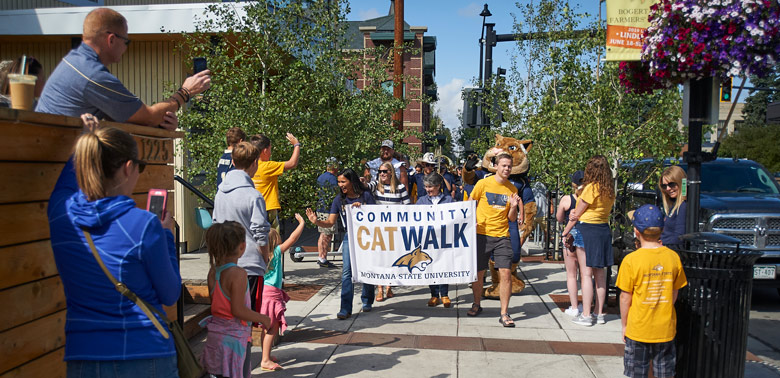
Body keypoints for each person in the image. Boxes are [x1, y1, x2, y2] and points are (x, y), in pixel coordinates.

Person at [48, 115, 181, 376]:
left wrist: (84, 142)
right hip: (146, 353)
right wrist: (166, 236)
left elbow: (63, 187)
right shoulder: (144, 225)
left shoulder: (60, 214)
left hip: (83, 356)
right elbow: (170, 294)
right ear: (128, 167)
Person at [35, 8, 210, 129]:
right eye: (126, 41)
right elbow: (147, 116)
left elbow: (130, 119)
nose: (126, 48)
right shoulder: (92, 75)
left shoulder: (75, 62)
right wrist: (185, 93)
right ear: (111, 40)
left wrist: (160, 123)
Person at [617, 204, 687, 378]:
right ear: (661, 230)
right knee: (665, 372)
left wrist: (625, 324)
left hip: (638, 327)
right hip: (665, 328)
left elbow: (626, 297)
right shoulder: (672, 257)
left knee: (636, 372)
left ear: (636, 231)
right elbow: (674, 292)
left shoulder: (631, 260)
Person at [201, 221, 271, 378]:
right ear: (242, 247)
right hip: (234, 340)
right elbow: (238, 310)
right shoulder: (238, 274)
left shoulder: (213, 272)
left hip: (215, 337)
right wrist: (263, 318)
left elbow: (218, 305)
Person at [306, 168, 376, 320]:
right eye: (339, 182)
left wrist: (362, 209)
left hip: (367, 237)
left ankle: (367, 299)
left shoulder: (366, 196)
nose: (340, 185)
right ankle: (345, 308)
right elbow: (330, 222)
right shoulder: (339, 200)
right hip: (349, 237)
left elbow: (376, 217)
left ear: (352, 182)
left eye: (343, 181)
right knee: (346, 272)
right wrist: (316, 221)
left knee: (367, 268)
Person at [213, 142, 271, 316]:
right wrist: (266, 257)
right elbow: (260, 233)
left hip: (225, 264)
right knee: (248, 319)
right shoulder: (254, 196)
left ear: (233, 160)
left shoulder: (220, 193)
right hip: (250, 264)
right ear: (254, 163)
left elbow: (216, 225)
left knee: (227, 317)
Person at [466, 153, 521, 327]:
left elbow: (511, 218)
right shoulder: (483, 184)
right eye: (503, 165)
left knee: (505, 273)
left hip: (502, 236)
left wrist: (513, 207)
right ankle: (477, 304)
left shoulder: (512, 189)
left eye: (509, 166)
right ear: (496, 166)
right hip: (482, 234)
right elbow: (470, 203)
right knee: (479, 272)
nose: (506, 169)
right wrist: (470, 221)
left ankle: (504, 313)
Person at [563, 155, 616, 327]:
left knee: (586, 274)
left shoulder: (590, 188)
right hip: (603, 230)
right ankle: (598, 313)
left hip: (587, 230)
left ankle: (586, 315)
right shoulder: (609, 189)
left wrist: (565, 231)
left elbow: (577, 214)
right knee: (600, 275)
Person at [259, 214, 305, 372]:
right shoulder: (277, 252)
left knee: (266, 326)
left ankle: (266, 355)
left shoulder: (261, 256)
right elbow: (293, 238)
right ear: (274, 241)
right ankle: (265, 360)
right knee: (272, 327)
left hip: (263, 294)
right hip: (272, 295)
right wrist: (302, 223)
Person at [367, 161, 411, 302]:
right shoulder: (375, 186)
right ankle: (379, 289)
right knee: (380, 259)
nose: (382, 174)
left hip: (395, 231)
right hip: (379, 231)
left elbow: (408, 208)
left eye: (385, 171)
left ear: (391, 172)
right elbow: (364, 188)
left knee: (391, 259)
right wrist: (361, 180)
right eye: (380, 172)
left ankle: (389, 286)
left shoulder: (400, 188)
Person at [416, 172, 454, 308]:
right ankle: (434, 294)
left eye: (430, 187)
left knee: (444, 265)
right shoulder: (421, 201)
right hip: (428, 239)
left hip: (444, 239)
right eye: (426, 187)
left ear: (438, 186)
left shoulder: (449, 200)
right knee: (430, 266)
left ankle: (444, 294)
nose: (428, 190)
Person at [250, 133, 301, 233]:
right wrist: (296, 145)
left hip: (252, 208)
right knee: (273, 240)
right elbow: (292, 163)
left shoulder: (249, 166)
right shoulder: (268, 166)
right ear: (265, 151)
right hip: (268, 208)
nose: (270, 152)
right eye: (270, 149)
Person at [556, 170, 585, 317]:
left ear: (573, 184)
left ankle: (574, 307)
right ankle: (586, 308)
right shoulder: (589, 199)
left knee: (571, 275)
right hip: (585, 237)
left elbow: (559, 218)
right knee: (586, 275)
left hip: (570, 238)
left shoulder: (567, 199)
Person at [315, 157, 340, 268]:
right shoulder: (333, 179)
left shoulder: (321, 177)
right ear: (334, 167)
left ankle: (321, 257)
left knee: (322, 233)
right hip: (328, 210)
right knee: (327, 235)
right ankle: (323, 258)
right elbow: (337, 194)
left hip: (320, 208)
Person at [659, 166, 687, 250]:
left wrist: (659, 245)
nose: (668, 189)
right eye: (664, 186)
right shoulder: (674, 206)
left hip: (672, 252)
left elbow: (679, 237)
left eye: (671, 184)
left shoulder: (683, 206)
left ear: (680, 183)